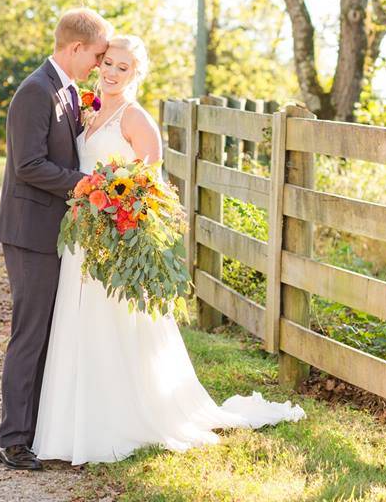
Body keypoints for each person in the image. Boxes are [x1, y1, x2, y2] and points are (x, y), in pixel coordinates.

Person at [32, 35, 305, 465]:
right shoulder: (90, 110)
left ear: (136, 74)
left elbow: (151, 184)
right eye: (108, 63)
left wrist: (119, 210)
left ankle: (123, 418)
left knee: (116, 323)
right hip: (83, 235)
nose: (112, 73)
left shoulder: (135, 118)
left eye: (123, 68)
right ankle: (71, 423)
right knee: (77, 320)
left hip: (117, 238)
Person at [0, 8, 112, 470]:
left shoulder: (64, 90)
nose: (99, 65)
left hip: (50, 232)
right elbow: (28, 165)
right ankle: (13, 440)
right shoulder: (35, 91)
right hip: (29, 233)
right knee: (30, 334)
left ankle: (37, 430)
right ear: (75, 48)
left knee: (47, 331)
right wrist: (87, 185)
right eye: (98, 55)